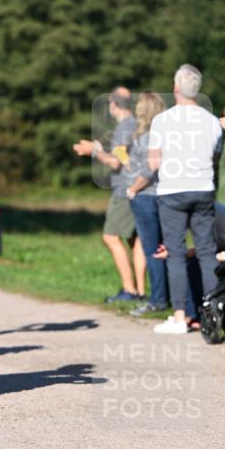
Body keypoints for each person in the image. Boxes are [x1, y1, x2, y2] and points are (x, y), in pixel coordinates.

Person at [148, 64, 222, 334]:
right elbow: (213, 157)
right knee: (206, 253)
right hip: (202, 188)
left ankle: (180, 316)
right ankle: (214, 311)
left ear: (176, 88)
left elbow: (153, 162)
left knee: (176, 254)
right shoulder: (212, 122)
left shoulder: (162, 121)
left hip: (171, 190)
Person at [73, 87, 145, 303]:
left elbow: (116, 161)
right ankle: (140, 291)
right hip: (138, 188)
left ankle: (129, 290)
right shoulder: (134, 125)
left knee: (111, 236)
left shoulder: (124, 128)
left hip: (124, 189)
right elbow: (122, 155)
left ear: (113, 105)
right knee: (135, 240)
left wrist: (93, 152)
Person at [125, 91, 169, 316]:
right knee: (167, 248)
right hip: (165, 195)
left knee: (152, 249)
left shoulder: (144, 138)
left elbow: (150, 166)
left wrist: (133, 188)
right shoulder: (167, 135)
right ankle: (170, 296)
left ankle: (158, 299)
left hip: (146, 196)